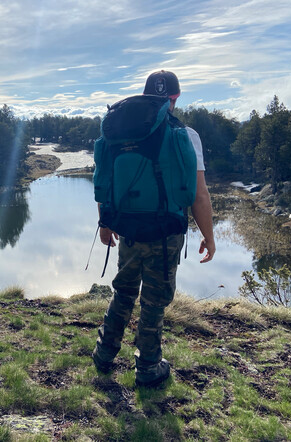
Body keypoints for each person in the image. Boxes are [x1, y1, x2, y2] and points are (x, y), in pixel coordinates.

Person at [92, 70, 215, 387]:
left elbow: (104, 181)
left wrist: (105, 222)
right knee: (154, 301)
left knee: (124, 291)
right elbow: (199, 195)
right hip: (166, 233)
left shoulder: (119, 132)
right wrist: (209, 237)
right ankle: (148, 366)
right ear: (174, 98)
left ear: (147, 96)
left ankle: (104, 355)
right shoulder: (186, 135)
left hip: (129, 228)